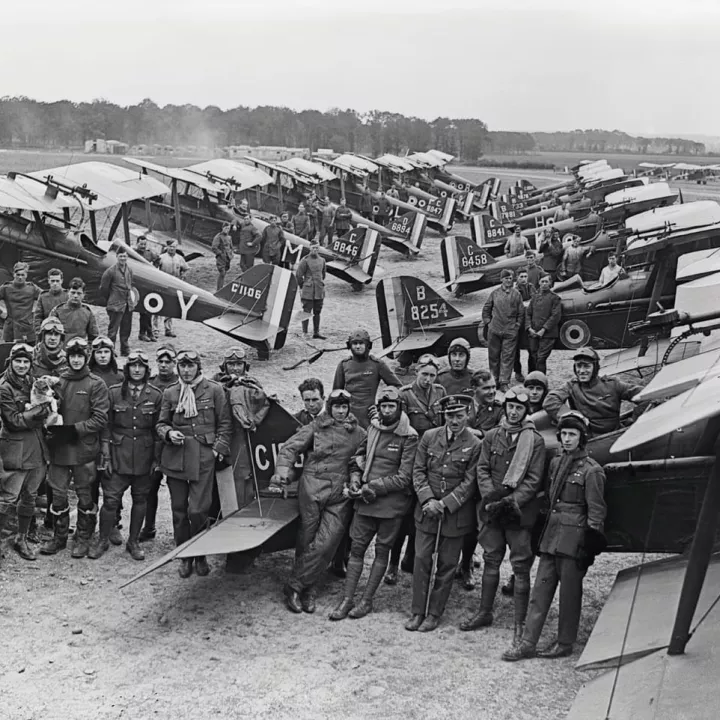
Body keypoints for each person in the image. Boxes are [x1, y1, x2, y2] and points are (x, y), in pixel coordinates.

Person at [502, 411, 607, 661]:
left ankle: (565, 641)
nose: (567, 439)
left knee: (570, 594)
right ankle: (528, 642)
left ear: (582, 438)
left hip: (575, 540)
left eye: (573, 434)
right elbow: (550, 499)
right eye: (564, 434)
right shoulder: (556, 462)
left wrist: (590, 545)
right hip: (552, 536)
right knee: (541, 591)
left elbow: (596, 511)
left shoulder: (592, 471)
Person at [460, 387, 545, 649]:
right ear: (505, 408)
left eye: (519, 408)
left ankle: (520, 622)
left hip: (519, 513)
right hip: (492, 510)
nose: (514, 411)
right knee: (490, 559)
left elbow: (533, 479)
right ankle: (485, 612)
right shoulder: (493, 436)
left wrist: (510, 502)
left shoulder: (535, 440)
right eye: (510, 406)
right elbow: (482, 469)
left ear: (525, 410)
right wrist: (491, 498)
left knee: (520, 566)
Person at [270, 389, 366, 614]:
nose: (341, 411)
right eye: (337, 407)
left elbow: (359, 461)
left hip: (340, 494)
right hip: (312, 487)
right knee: (307, 538)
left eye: (344, 407)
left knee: (327, 542)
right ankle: (309, 590)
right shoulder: (316, 426)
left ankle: (294, 585)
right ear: (329, 407)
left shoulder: (359, 432)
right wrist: (283, 470)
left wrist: (354, 479)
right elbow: (291, 447)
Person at [330, 387, 418, 620]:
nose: (387, 411)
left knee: (381, 552)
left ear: (400, 408)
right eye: (384, 406)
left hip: (391, 505)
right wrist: (356, 478)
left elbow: (404, 477)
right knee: (357, 549)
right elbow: (358, 458)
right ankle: (347, 599)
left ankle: (367, 600)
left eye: (392, 407)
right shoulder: (373, 428)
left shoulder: (409, 436)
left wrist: (373, 487)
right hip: (365, 503)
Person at [406, 394, 482, 632]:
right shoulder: (429, 437)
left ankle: (434, 613)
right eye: (450, 416)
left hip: (454, 515)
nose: (455, 421)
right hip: (426, 511)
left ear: (467, 415)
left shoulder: (475, 444)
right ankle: (418, 611)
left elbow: (470, 483)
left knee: (447, 565)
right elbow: (417, 471)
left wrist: (445, 503)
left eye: (460, 416)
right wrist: (428, 500)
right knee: (421, 560)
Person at [156, 350, 232, 578]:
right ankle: (185, 555)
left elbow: (225, 423)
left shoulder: (214, 390)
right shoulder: (170, 392)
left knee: (198, 509)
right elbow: (160, 424)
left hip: (203, 456)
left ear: (198, 367)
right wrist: (169, 433)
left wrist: (217, 449)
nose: (186, 370)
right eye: (182, 366)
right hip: (176, 456)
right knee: (179, 510)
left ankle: (200, 553)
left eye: (190, 366)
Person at [89, 350, 162, 562]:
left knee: (140, 500)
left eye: (141, 366)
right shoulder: (113, 393)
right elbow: (105, 427)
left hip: (144, 457)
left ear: (147, 370)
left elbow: (158, 430)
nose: (137, 370)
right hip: (117, 454)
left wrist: (156, 459)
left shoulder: (155, 395)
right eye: (133, 366)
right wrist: (106, 456)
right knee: (111, 501)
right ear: (127, 369)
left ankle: (133, 541)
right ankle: (102, 539)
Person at [40, 337, 109, 557]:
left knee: (85, 495)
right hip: (60, 449)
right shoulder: (59, 381)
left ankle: (83, 537)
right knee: (58, 494)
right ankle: (59, 538)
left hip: (84, 449)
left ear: (86, 358)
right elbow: (49, 410)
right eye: (73, 356)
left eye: (80, 356)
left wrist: (75, 429)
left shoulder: (96, 383)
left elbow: (100, 419)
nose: (76, 360)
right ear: (68, 358)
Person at [389, 354, 446, 585]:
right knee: (402, 516)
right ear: (416, 373)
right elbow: (398, 426)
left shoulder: (440, 392)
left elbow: (442, 424)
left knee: (421, 513)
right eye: (424, 374)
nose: (428, 379)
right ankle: (393, 564)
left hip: (432, 460)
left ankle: (410, 558)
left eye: (432, 375)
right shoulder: (404, 394)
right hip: (411, 458)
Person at [0, 343, 51, 563]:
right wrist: (39, 411)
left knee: (30, 496)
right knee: (8, 498)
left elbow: (49, 402)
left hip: (37, 448)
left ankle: (21, 538)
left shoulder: (33, 383)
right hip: (16, 449)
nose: (22, 365)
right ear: (10, 362)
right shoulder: (4, 387)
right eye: (18, 361)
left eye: (26, 362)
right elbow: (13, 421)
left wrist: (45, 409)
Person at [544, 347, 643, 436]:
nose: (582, 371)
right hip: (589, 438)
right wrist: (573, 416)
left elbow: (645, 394)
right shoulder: (572, 386)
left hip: (615, 434)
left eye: (586, 366)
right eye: (578, 366)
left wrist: (635, 419)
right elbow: (550, 401)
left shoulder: (612, 384)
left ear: (595, 367)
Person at [139, 345, 179, 542]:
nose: (164, 365)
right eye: (160, 362)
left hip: (173, 443)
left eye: (168, 362)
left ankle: (178, 530)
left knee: (177, 490)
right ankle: (149, 526)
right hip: (152, 442)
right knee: (150, 487)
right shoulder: (150, 383)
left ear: (174, 363)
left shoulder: (182, 383)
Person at [333, 328, 401, 429]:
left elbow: (397, 386)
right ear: (350, 345)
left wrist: (380, 406)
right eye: (354, 343)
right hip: (348, 415)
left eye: (361, 343)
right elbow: (336, 393)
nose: (358, 346)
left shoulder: (377, 364)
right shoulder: (343, 365)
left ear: (368, 345)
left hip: (369, 416)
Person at [482, 269, 524, 392]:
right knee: (493, 357)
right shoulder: (494, 293)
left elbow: (521, 313)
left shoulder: (516, 294)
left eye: (510, 278)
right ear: (501, 280)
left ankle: (504, 382)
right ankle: (494, 380)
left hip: (510, 332)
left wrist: (516, 326)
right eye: (506, 278)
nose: (508, 280)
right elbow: (486, 309)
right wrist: (488, 323)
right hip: (494, 330)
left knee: (508, 357)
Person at [99, 248, 135, 356]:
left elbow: (130, 285)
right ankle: (111, 349)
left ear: (127, 257)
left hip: (127, 304)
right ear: (117, 257)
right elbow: (103, 288)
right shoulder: (110, 271)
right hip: (115, 304)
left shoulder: (129, 270)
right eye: (121, 256)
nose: (123, 259)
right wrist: (111, 299)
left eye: (125, 256)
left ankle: (124, 349)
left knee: (126, 328)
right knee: (113, 329)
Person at [526, 273, 562, 374]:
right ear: (539, 283)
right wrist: (529, 328)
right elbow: (528, 313)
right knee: (533, 356)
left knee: (541, 358)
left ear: (550, 283)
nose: (544, 284)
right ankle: (531, 381)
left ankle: (540, 382)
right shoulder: (535, 298)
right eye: (542, 281)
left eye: (547, 281)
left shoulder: (555, 298)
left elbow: (555, 316)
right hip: (533, 333)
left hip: (548, 335)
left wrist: (543, 329)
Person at [48, 277, 98, 344]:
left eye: (79, 293)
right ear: (68, 292)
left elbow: (93, 337)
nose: (75, 296)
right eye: (73, 292)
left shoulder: (88, 312)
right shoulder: (57, 311)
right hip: (60, 350)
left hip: (79, 350)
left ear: (83, 295)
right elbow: (49, 333)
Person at [0, 262, 41, 343]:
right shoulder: (5, 288)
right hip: (10, 326)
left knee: (29, 351)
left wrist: (36, 313)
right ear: (14, 274)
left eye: (22, 275)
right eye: (18, 274)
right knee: (7, 350)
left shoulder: (32, 288)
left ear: (26, 275)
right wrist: (1, 312)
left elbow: (45, 297)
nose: (20, 277)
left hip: (27, 327)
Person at [156, 240, 188, 338]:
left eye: (173, 247)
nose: (172, 248)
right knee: (157, 307)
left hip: (174, 286)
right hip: (162, 285)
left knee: (170, 308)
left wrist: (183, 276)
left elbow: (186, 268)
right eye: (170, 246)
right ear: (167, 247)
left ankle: (168, 329)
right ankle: (155, 330)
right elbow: (155, 269)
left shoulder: (179, 258)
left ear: (176, 247)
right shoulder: (161, 258)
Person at [296, 239, 327, 340]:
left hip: (319, 290)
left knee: (317, 312)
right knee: (306, 312)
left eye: (317, 248)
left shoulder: (322, 260)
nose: (315, 250)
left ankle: (316, 332)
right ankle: (305, 333)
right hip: (308, 291)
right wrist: (303, 286)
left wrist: (319, 284)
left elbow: (323, 275)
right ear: (310, 248)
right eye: (313, 248)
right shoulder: (305, 260)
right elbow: (298, 275)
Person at [135, 236, 160, 341]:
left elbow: (158, 259)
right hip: (138, 286)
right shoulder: (133, 253)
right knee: (143, 311)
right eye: (141, 244)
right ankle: (142, 333)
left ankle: (149, 333)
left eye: (144, 244)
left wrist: (154, 269)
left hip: (148, 284)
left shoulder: (149, 253)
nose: (143, 246)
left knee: (149, 310)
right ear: (137, 243)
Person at [513, 269, 535, 383]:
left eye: (525, 276)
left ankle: (532, 372)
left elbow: (535, 300)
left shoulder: (531, 287)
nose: (523, 279)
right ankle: (517, 371)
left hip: (528, 323)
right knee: (515, 349)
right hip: (517, 324)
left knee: (532, 348)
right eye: (521, 276)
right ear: (517, 277)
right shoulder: (514, 290)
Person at [33, 268, 67, 336]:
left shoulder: (67, 296)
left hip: (64, 333)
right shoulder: (43, 296)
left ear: (62, 281)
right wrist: (39, 333)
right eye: (52, 281)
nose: (55, 283)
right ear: (48, 281)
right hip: (47, 333)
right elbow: (38, 317)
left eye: (57, 281)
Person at [212, 223, 235, 291]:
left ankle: (220, 288)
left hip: (228, 258)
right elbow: (214, 247)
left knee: (224, 273)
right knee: (222, 273)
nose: (227, 230)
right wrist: (220, 253)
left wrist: (231, 254)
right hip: (221, 258)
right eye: (225, 228)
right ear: (222, 228)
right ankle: (219, 289)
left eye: (228, 228)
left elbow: (231, 247)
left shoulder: (229, 237)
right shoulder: (218, 237)